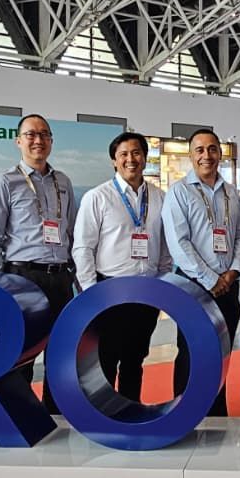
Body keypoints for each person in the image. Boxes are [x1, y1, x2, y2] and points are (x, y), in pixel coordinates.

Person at [0, 114, 78, 414]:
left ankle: (57, 412)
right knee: (21, 351)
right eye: (31, 134)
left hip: (60, 277)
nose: (38, 140)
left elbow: (71, 232)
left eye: (44, 134)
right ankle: (20, 415)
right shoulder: (5, 182)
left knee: (60, 350)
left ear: (51, 140)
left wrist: (78, 277)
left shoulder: (63, 181)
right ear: (18, 140)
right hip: (22, 276)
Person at [72, 132, 169, 402]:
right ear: (114, 161)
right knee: (106, 358)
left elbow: (165, 248)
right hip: (109, 291)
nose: (131, 159)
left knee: (135, 359)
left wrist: (161, 284)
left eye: (136, 153)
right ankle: (103, 415)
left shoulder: (160, 197)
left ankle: (130, 411)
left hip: (147, 292)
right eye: (123, 154)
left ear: (145, 158)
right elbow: (83, 248)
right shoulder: (97, 197)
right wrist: (92, 293)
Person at [163, 129, 240, 416]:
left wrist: (233, 272)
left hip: (228, 286)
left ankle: (215, 413)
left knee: (221, 354)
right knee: (191, 352)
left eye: (212, 149)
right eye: (199, 150)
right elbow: (179, 243)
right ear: (190, 155)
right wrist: (211, 280)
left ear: (220, 154)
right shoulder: (179, 192)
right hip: (194, 287)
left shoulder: (231, 193)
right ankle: (182, 413)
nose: (206, 155)